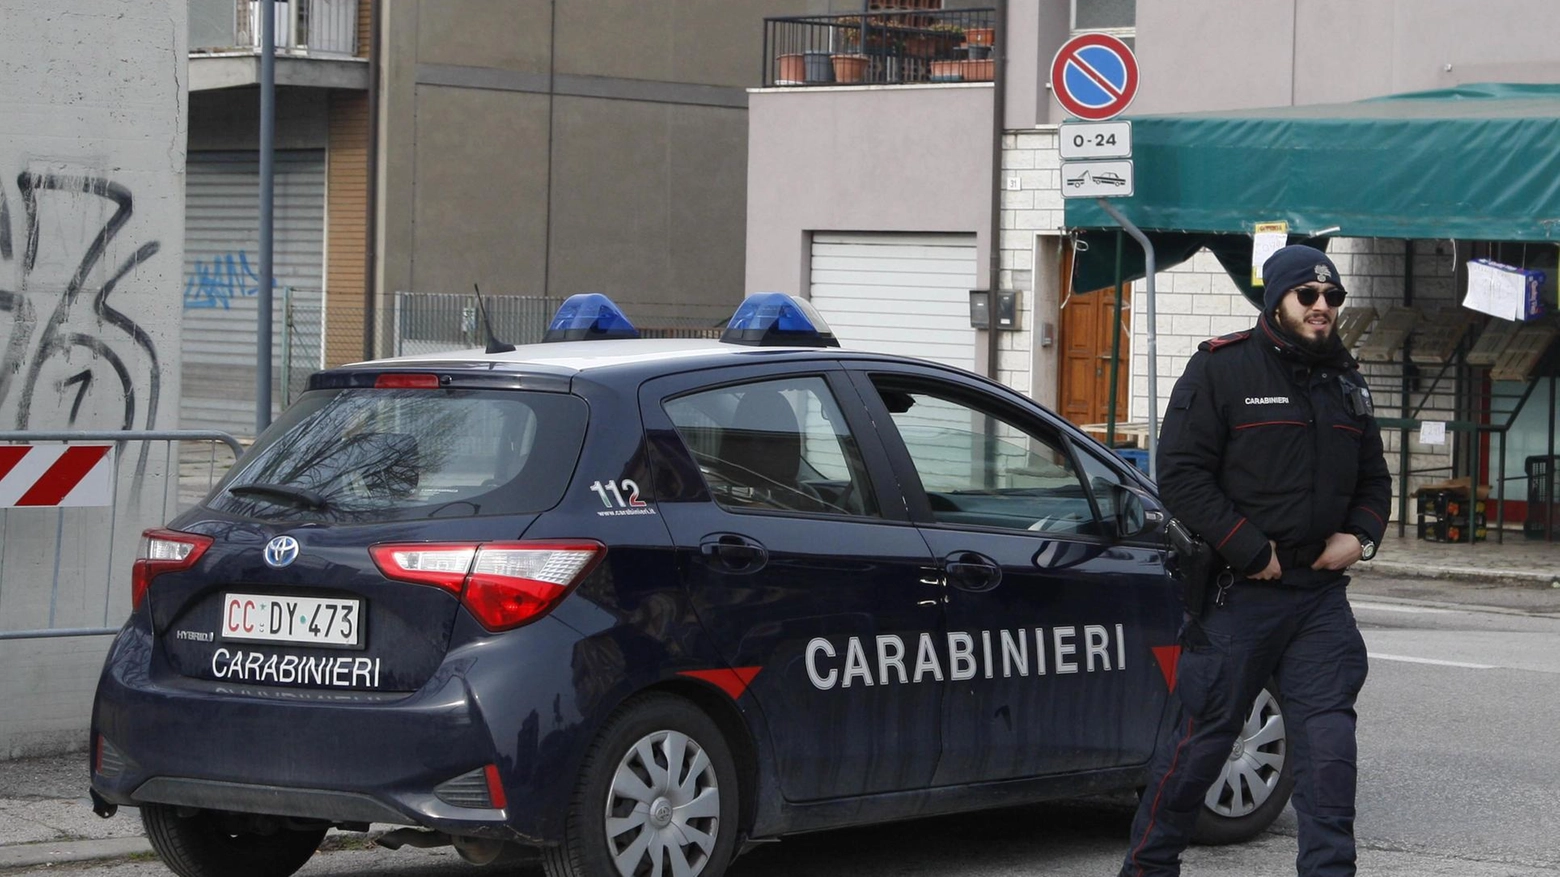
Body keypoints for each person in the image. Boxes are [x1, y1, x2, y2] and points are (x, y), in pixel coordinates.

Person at [1118, 245, 1393, 877]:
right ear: (1278, 300)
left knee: (1329, 749)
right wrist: (1248, 547)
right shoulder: (1222, 369)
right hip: (1240, 592)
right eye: (1309, 296)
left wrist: (1363, 537)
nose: (1323, 307)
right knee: (1201, 743)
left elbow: (1375, 482)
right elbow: (1182, 477)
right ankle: (1148, 867)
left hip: (1318, 594)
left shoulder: (1346, 380)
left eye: (1333, 298)